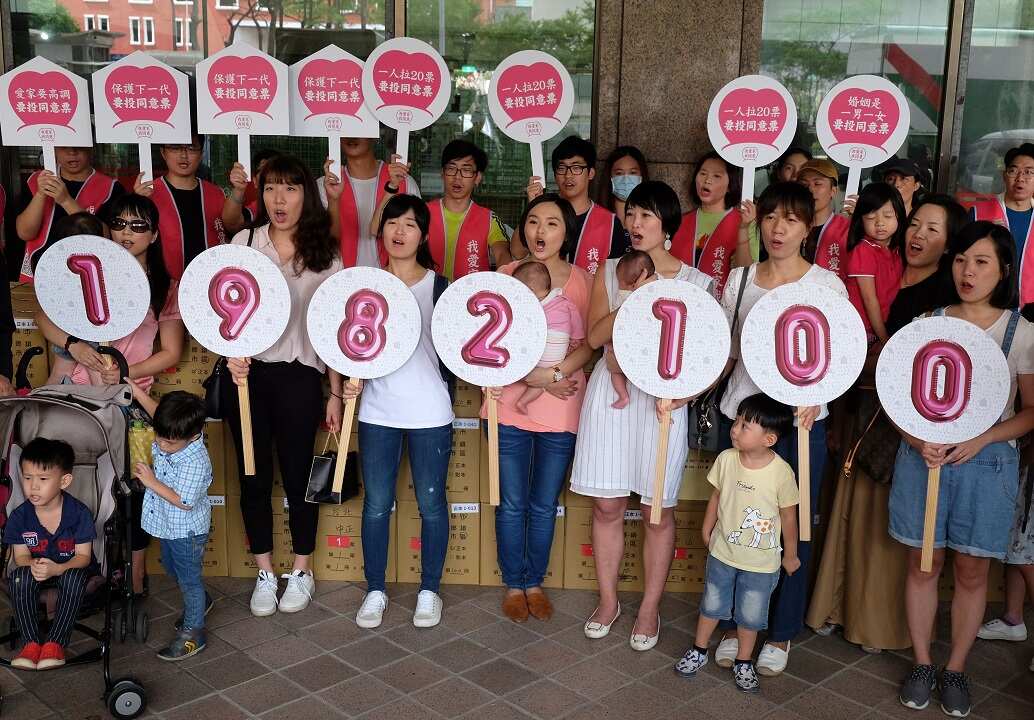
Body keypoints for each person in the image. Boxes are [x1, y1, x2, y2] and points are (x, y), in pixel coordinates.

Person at [807, 195, 968, 653]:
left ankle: (872, 622)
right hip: (863, 407)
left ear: (950, 242)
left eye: (932, 229)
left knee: (883, 522)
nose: (918, 234)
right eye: (915, 223)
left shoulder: (945, 292)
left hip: (905, 425)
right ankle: (834, 608)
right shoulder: (886, 261)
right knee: (848, 510)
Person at [892, 221, 1034, 717]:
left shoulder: (1021, 332)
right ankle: (923, 662)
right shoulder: (927, 322)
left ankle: (956, 667)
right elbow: (898, 399)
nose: (967, 272)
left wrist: (984, 437)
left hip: (987, 461)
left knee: (973, 571)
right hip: (923, 459)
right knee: (922, 562)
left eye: (981, 263)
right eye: (960, 260)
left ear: (1003, 270)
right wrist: (917, 438)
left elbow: (1030, 411)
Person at [570, 180, 713, 649]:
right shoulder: (610, 270)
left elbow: (711, 356)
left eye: (647, 216)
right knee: (607, 505)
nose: (634, 224)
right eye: (631, 214)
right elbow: (592, 338)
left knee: (656, 512)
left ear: (668, 225)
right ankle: (609, 601)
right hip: (611, 401)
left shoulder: (696, 283)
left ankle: (649, 607)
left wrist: (687, 395)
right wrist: (633, 295)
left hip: (662, 408)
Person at [712, 181, 846, 675]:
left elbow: (838, 357)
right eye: (770, 217)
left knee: (792, 530)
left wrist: (818, 397)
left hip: (799, 426)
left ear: (808, 226)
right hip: (745, 423)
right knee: (737, 523)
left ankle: (782, 631)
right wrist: (681, 391)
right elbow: (723, 354)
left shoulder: (827, 285)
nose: (778, 228)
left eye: (790, 219)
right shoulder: (740, 280)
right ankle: (733, 624)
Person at [36, 194, 185, 598]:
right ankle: (75, 569)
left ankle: (134, 574)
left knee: (133, 488)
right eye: (119, 224)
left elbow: (171, 352)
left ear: (153, 235)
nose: (126, 233)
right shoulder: (89, 273)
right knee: (71, 482)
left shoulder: (164, 286)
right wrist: (75, 345)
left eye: (138, 227)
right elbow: (43, 314)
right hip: (77, 398)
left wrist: (124, 372)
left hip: (129, 400)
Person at [222, 155, 343, 618]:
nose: (279, 198)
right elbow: (220, 308)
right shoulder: (243, 243)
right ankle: (265, 572)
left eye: (291, 188)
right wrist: (229, 351)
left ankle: (302, 569)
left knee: (298, 480)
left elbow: (333, 329)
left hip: (301, 377)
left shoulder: (325, 255)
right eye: (271, 187)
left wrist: (334, 392)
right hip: (247, 377)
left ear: (305, 197)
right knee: (252, 477)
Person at [343, 194, 453, 630]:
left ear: (424, 235)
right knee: (376, 505)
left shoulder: (442, 288)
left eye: (410, 224)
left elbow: (461, 352)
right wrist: (346, 379)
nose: (400, 231)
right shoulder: (365, 285)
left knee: (431, 504)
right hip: (377, 410)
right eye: (393, 222)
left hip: (430, 412)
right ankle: (375, 589)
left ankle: (429, 590)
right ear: (382, 230)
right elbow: (345, 344)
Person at [488, 193, 593, 623]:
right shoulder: (504, 275)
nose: (540, 231)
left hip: (562, 405)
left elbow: (588, 346)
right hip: (509, 405)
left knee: (543, 503)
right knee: (511, 503)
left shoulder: (584, 281)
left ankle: (535, 582)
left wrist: (547, 378)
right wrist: (526, 379)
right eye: (532, 221)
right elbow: (487, 346)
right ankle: (514, 583)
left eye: (551, 223)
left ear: (567, 230)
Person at [674, 394, 799, 693]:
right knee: (711, 604)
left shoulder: (781, 472)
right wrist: (707, 527)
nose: (735, 428)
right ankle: (699, 649)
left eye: (745, 425)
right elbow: (716, 497)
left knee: (751, 615)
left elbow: (789, 517)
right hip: (723, 554)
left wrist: (791, 554)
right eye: (737, 420)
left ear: (769, 439)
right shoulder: (726, 459)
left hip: (761, 564)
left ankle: (744, 661)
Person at [135, 391, 213, 661]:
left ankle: (194, 632)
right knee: (171, 567)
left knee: (189, 580)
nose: (161, 444)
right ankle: (201, 601)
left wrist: (151, 481)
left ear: (193, 436)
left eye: (169, 442)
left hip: (186, 530)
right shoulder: (175, 430)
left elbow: (186, 502)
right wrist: (134, 389)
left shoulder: (195, 460)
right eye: (159, 437)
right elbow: (156, 410)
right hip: (167, 526)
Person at [5, 438, 95, 671]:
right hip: (38, 569)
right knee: (19, 576)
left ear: (64, 481)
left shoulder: (78, 513)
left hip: (69, 567)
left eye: (43, 479)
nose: (33, 487)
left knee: (74, 577)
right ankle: (31, 642)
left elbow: (83, 557)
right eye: (27, 478)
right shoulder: (20, 517)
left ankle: (55, 642)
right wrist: (34, 565)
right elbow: (20, 556)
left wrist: (58, 568)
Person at [513, 135, 627, 275]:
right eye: (562, 168)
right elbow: (517, 252)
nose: (568, 175)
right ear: (554, 174)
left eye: (576, 167)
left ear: (591, 173)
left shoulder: (609, 223)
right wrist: (532, 207)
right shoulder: (544, 213)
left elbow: (616, 277)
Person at [15, 146, 123, 282]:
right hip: (38, 277)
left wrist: (66, 201)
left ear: (90, 148)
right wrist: (41, 194)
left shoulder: (111, 188)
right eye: (64, 147)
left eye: (79, 146)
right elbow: (25, 233)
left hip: (86, 278)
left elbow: (106, 238)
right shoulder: (35, 181)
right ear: (53, 149)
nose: (72, 152)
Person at [135, 135, 227, 279]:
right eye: (175, 147)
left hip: (211, 282)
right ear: (163, 152)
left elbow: (232, 229)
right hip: (164, 287)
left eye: (191, 148)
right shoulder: (147, 193)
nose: (183, 155)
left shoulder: (215, 193)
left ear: (202, 153)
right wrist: (137, 205)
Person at [320, 137, 421, 268]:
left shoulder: (405, 182)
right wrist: (333, 200)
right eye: (346, 129)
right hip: (340, 281)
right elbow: (325, 242)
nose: (351, 136)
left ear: (374, 135)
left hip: (392, 282)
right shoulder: (325, 185)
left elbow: (416, 238)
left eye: (360, 129)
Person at [670, 151, 753, 298]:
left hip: (722, 307)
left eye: (717, 176)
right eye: (703, 174)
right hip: (680, 302)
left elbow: (746, 275)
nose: (707, 180)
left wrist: (744, 230)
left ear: (730, 185)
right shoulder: (680, 221)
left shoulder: (744, 222)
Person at [425, 139, 511, 278]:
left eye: (466, 170)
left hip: (471, 297)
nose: (457, 177)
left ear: (477, 178)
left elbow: (502, 253)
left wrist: (505, 276)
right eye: (451, 168)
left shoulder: (489, 219)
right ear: (442, 173)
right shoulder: (423, 213)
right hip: (428, 297)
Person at [513, 261, 585, 413]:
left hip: (536, 357)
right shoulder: (565, 302)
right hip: (559, 358)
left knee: (539, 373)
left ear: (529, 290)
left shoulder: (528, 308)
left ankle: (524, 400)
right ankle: (529, 396)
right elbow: (577, 328)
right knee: (552, 375)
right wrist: (575, 342)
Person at [970, 143, 1034, 306]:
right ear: (1004, 175)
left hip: (1029, 310)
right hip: (985, 305)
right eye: (1013, 171)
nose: (1020, 178)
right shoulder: (978, 213)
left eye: (1028, 172)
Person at [846, 183, 906, 345]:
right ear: (861, 220)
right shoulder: (863, 250)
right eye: (871, 217)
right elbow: (869, 300)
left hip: (885, 324)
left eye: (887, 216)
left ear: (899, 216)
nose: (879, 223)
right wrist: (884, 338)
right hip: (864, 330)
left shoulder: (897, 249)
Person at [605, 250, 654, 409]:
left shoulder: (626, 296)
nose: (619, 285)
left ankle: (623, 395)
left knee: (615, 372)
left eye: (621, 282)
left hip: (620, 348)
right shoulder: (655, 293)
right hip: (643, 352)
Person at [221, 148, 282, 235]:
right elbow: (232, 224)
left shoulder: (298, 204)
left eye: (276, 169)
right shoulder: (257, 208)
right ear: (255, 181)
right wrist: (238, 189)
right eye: (264, 170)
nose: (270, 174)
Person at [602, 145, 648, 220]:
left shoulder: (654, 219)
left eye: (632, 173)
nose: (626, 179)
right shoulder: (599, 218)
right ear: (609, 177)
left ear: (642, 175)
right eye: (619, 173)